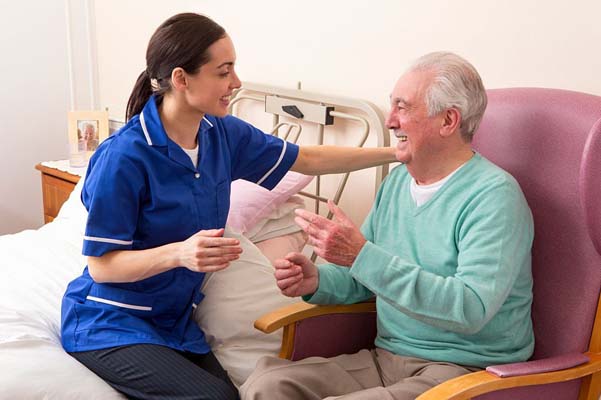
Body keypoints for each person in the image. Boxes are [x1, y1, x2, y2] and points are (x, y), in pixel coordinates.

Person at [60, 12, 396, 400]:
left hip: (173, 321)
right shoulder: (125, 157)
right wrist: (181, 254)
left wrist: (394, 152)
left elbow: (308, 158)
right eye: (223, 71)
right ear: (181, 79)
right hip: (109, 321)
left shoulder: (220, 134)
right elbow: (102, 267)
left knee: (237, 393)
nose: (236, 83)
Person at [240, 52, 534, 400]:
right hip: (386, 360)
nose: (391, 121)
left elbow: (470, 309)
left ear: (448, 120)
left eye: (402, 107)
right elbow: (365, 276)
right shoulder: (397, 184)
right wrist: (317, 280)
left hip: (463, 372)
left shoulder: (494, 197)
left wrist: (361, 255)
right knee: (267, 386)